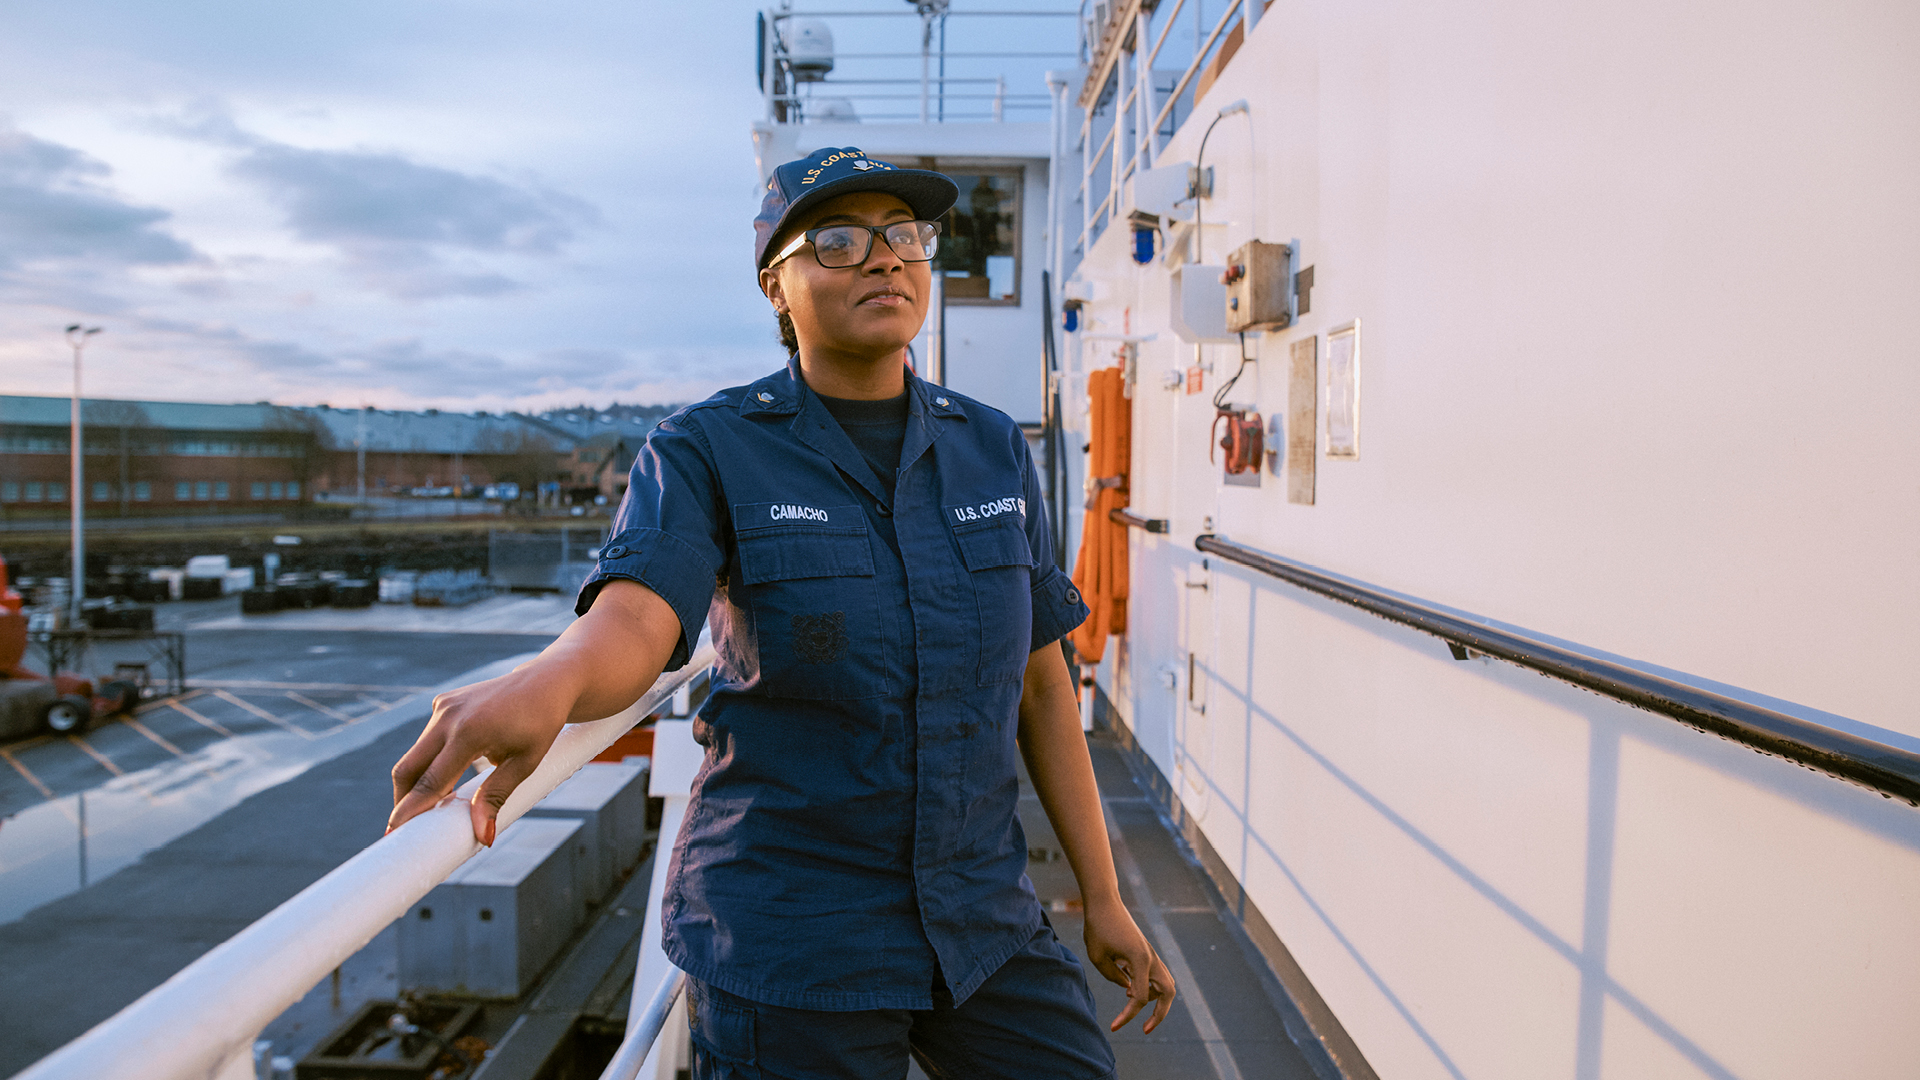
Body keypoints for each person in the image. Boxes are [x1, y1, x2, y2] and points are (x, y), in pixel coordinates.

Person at [387, 146, 1174, 1079]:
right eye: (837, 240)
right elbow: (640, 615)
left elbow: (1042, 683)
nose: (885, 259)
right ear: (776, 286)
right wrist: (554, 679)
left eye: (906, 237)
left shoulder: (992, 448)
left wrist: (1104, 896)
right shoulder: (709, 448)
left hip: (981, 922)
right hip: (790, 936)